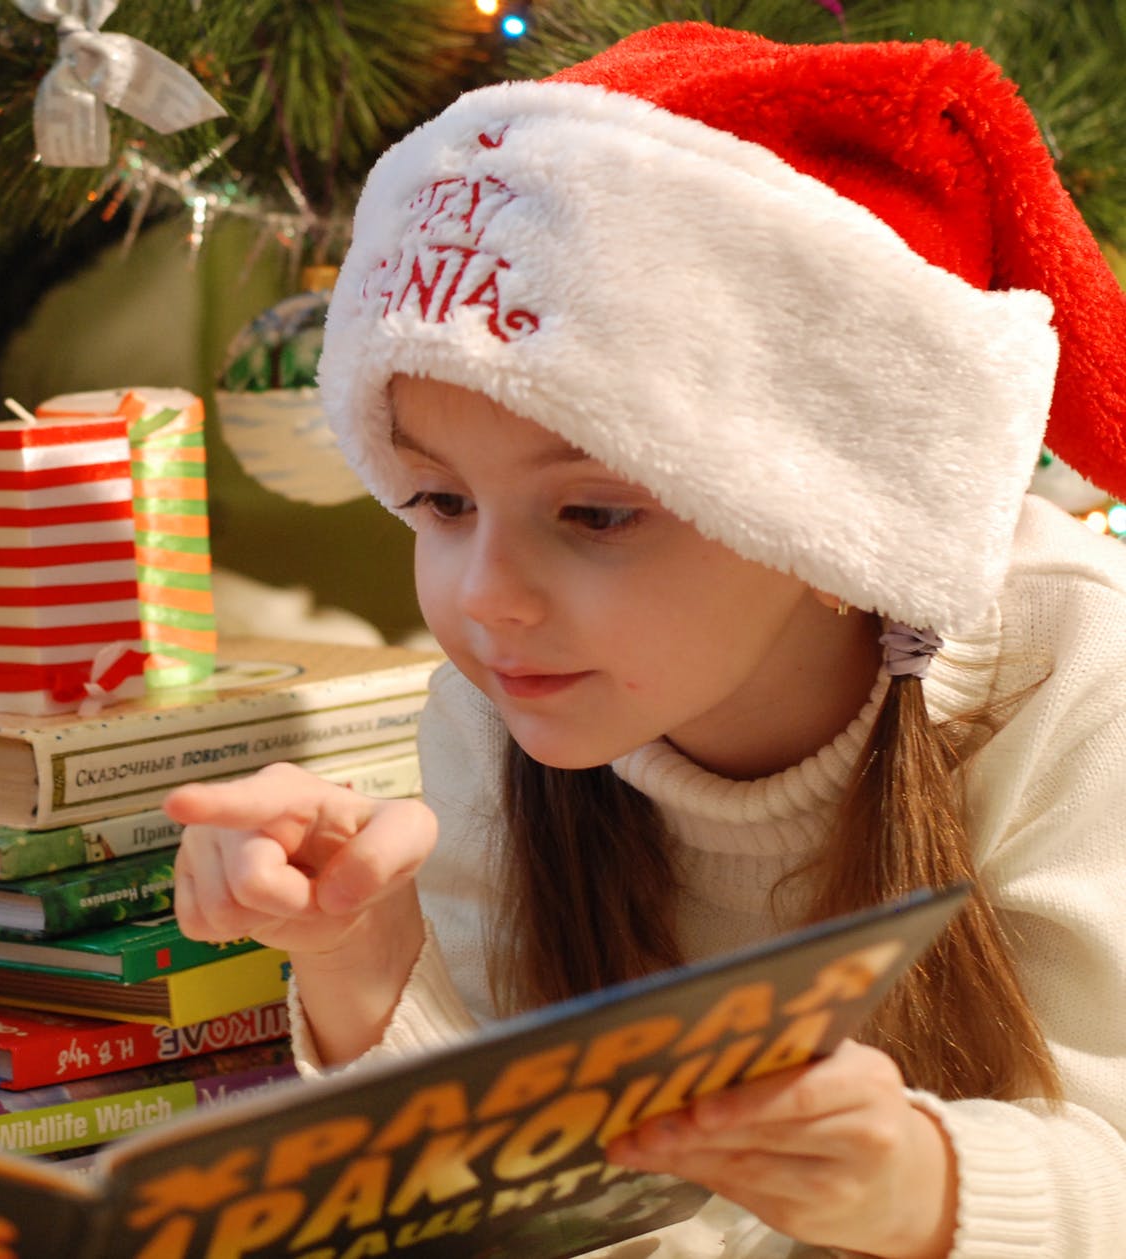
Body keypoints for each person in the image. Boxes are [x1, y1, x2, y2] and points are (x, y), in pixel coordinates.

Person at [165, 22, 1126, 1259]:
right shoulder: (502, 707)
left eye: (595, 513)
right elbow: (532, 1204)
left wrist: (920, 1187)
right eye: (440, 501)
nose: (486, 597)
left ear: (833, 514)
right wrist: (363, 961)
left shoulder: (1073, 667)